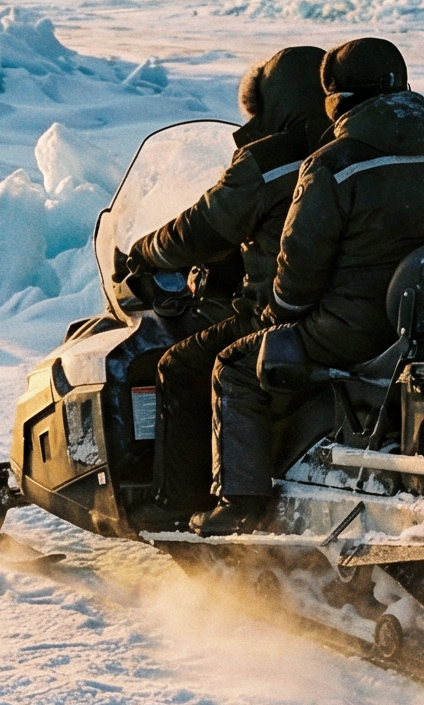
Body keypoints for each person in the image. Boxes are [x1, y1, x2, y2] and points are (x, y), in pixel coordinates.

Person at [192, 37, 424, 536]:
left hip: (350, 333)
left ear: (337, 100)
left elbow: (296, 280)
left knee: (233, 367)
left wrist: (276, 312)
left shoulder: (332, 164)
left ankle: (240, 504)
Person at [119, 45, 329, 530]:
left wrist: (145, 251)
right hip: (345, 310)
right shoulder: (348, 151)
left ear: (275, 104)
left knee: (181, 364)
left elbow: (202, 228)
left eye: (257, 109)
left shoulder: (269, 161)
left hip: (277, 310)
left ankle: (179, 504)